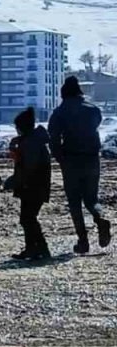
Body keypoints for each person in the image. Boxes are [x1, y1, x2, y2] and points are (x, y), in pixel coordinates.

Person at [48, 75, 111, 254]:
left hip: (71, 160)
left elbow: (53, 137)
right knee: (92, 199)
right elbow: (96, 125)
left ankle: (83, 241)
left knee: (74, 202)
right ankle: (101, 219)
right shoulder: (93, 109)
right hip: (92, 159)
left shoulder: (60, 112)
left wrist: (60, 157)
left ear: (63, 93)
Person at [6, 107, 52, 260]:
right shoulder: (33, 140)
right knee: (28, 218)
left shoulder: (30, 143)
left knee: (28, 218)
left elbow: (28, 168)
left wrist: (13, 182)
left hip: (33, 187)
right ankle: (33, 248)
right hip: (35, 186)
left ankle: (40, 249)